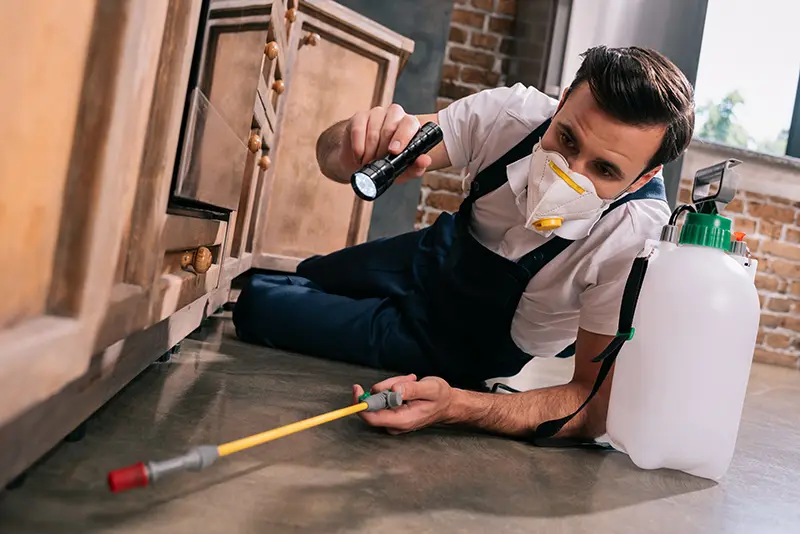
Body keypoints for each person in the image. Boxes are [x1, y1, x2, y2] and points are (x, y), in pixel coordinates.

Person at [233, 46, 695, 441]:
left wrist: (458, 406)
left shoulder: (634, 240)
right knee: (307, 274)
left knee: (257, 304)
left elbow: (590, 407)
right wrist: (353, 142)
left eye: (606, 170)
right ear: (558, 106)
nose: (568, 174)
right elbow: (334, 157)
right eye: (566, 139)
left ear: (646, 176)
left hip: (460, 341)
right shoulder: (510, 116)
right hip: (433, 254)